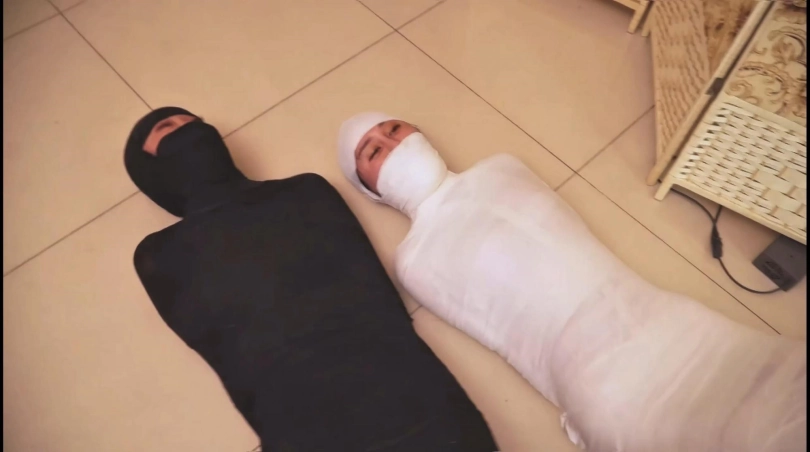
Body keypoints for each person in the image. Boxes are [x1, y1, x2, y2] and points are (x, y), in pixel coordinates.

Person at [337, 112, 807, 452]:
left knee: (784, 387)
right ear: (368, 189)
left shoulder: (502, 167)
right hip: (598, 375)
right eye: (373, 151)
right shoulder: (414, 259)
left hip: (671, 320)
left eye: (394, 129)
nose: (393, 144)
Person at [125, 107, 498, 452]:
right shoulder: (158, 255)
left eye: (194, 122)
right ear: (148, 170)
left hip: (418, 401)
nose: (190, 128)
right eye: (168, 127)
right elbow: (229, 356)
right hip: (306, 430)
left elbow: (377, 301)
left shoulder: (305, 190)